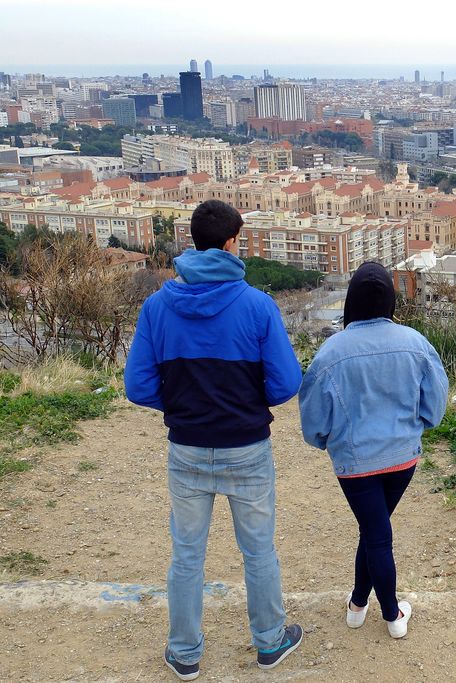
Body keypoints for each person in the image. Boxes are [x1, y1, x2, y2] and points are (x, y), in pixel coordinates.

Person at [125, 199, 303, 680]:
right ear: (230, 244)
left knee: (187, 552)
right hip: (246, 446)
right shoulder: (257, 306)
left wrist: (183, 404)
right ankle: (269, 641)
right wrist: (244, 400)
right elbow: (286, 383)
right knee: (258, 550)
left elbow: (138, 386)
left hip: (186, 447)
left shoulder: (158, 306)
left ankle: (185, 653)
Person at [298, 262, 448, 639]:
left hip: (353, 462)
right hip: (402, 459)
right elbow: (436, 404)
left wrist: (326, 442)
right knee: (376, 532)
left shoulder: (331, 352)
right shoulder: (415, 343)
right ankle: (378, 611)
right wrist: (418, 427)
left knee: (375, 533)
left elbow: (313, 421)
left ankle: (374, 610)